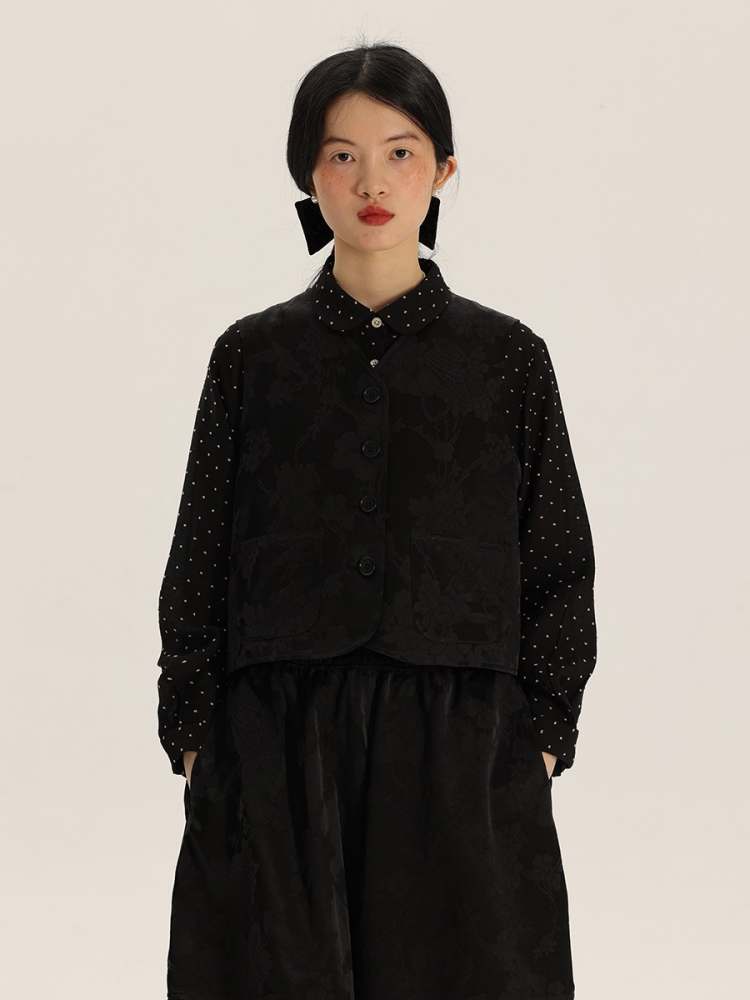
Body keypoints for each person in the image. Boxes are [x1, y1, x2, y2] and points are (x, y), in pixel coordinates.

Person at [157, 41, 598, 1000]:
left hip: (463, 747)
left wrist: (542, 736)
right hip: (278, 744)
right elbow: (199, 552)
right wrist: (195, 735)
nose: (372, 182)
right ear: (308, 175)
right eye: (342, 155)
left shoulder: (507, 359)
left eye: (400, 153)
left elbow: (558, 557)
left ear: (442, 170)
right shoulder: (252, 357)